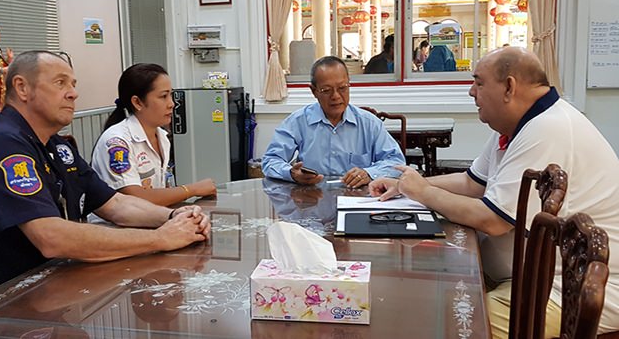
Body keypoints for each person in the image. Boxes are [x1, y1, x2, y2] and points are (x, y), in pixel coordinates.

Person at [368, 47, 619, 337]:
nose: (471, 92)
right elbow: (472, 183)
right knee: (431, 297)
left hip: (565, 291)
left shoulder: (548, 128)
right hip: (528, 276)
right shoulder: (518, 124)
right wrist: (406, 186)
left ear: (509, 87)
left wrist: (424, 193)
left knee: (451, 322)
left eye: (479, 82)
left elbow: (493, 220)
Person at [0, 51, 211, 308]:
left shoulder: (56, 146)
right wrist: (160, 239)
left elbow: (115, 204)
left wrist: (173, 218)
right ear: (22, 88)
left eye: (73, 84)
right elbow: (51, 238)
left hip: (51, 288)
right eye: (61, 83)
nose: (73, 93)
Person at [262, 55, 405, 188]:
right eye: (326, 90)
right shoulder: (298, 122)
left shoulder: (369, 123)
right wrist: (291, 174)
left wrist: (369, 173)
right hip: (311, 199)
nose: (335, 96)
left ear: (349, 85)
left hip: (357, 199)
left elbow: (396, 162)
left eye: (342, 88)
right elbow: (271, 160)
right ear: (314, 91)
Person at [91, 63, 216, 206]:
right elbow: (134, 199)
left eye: (171, 95)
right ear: (137, 102)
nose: (172, 104)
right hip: (115, 226)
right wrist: (191, 190)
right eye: (163, 96)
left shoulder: (162, 137)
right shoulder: (117, 142)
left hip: (149, 221)